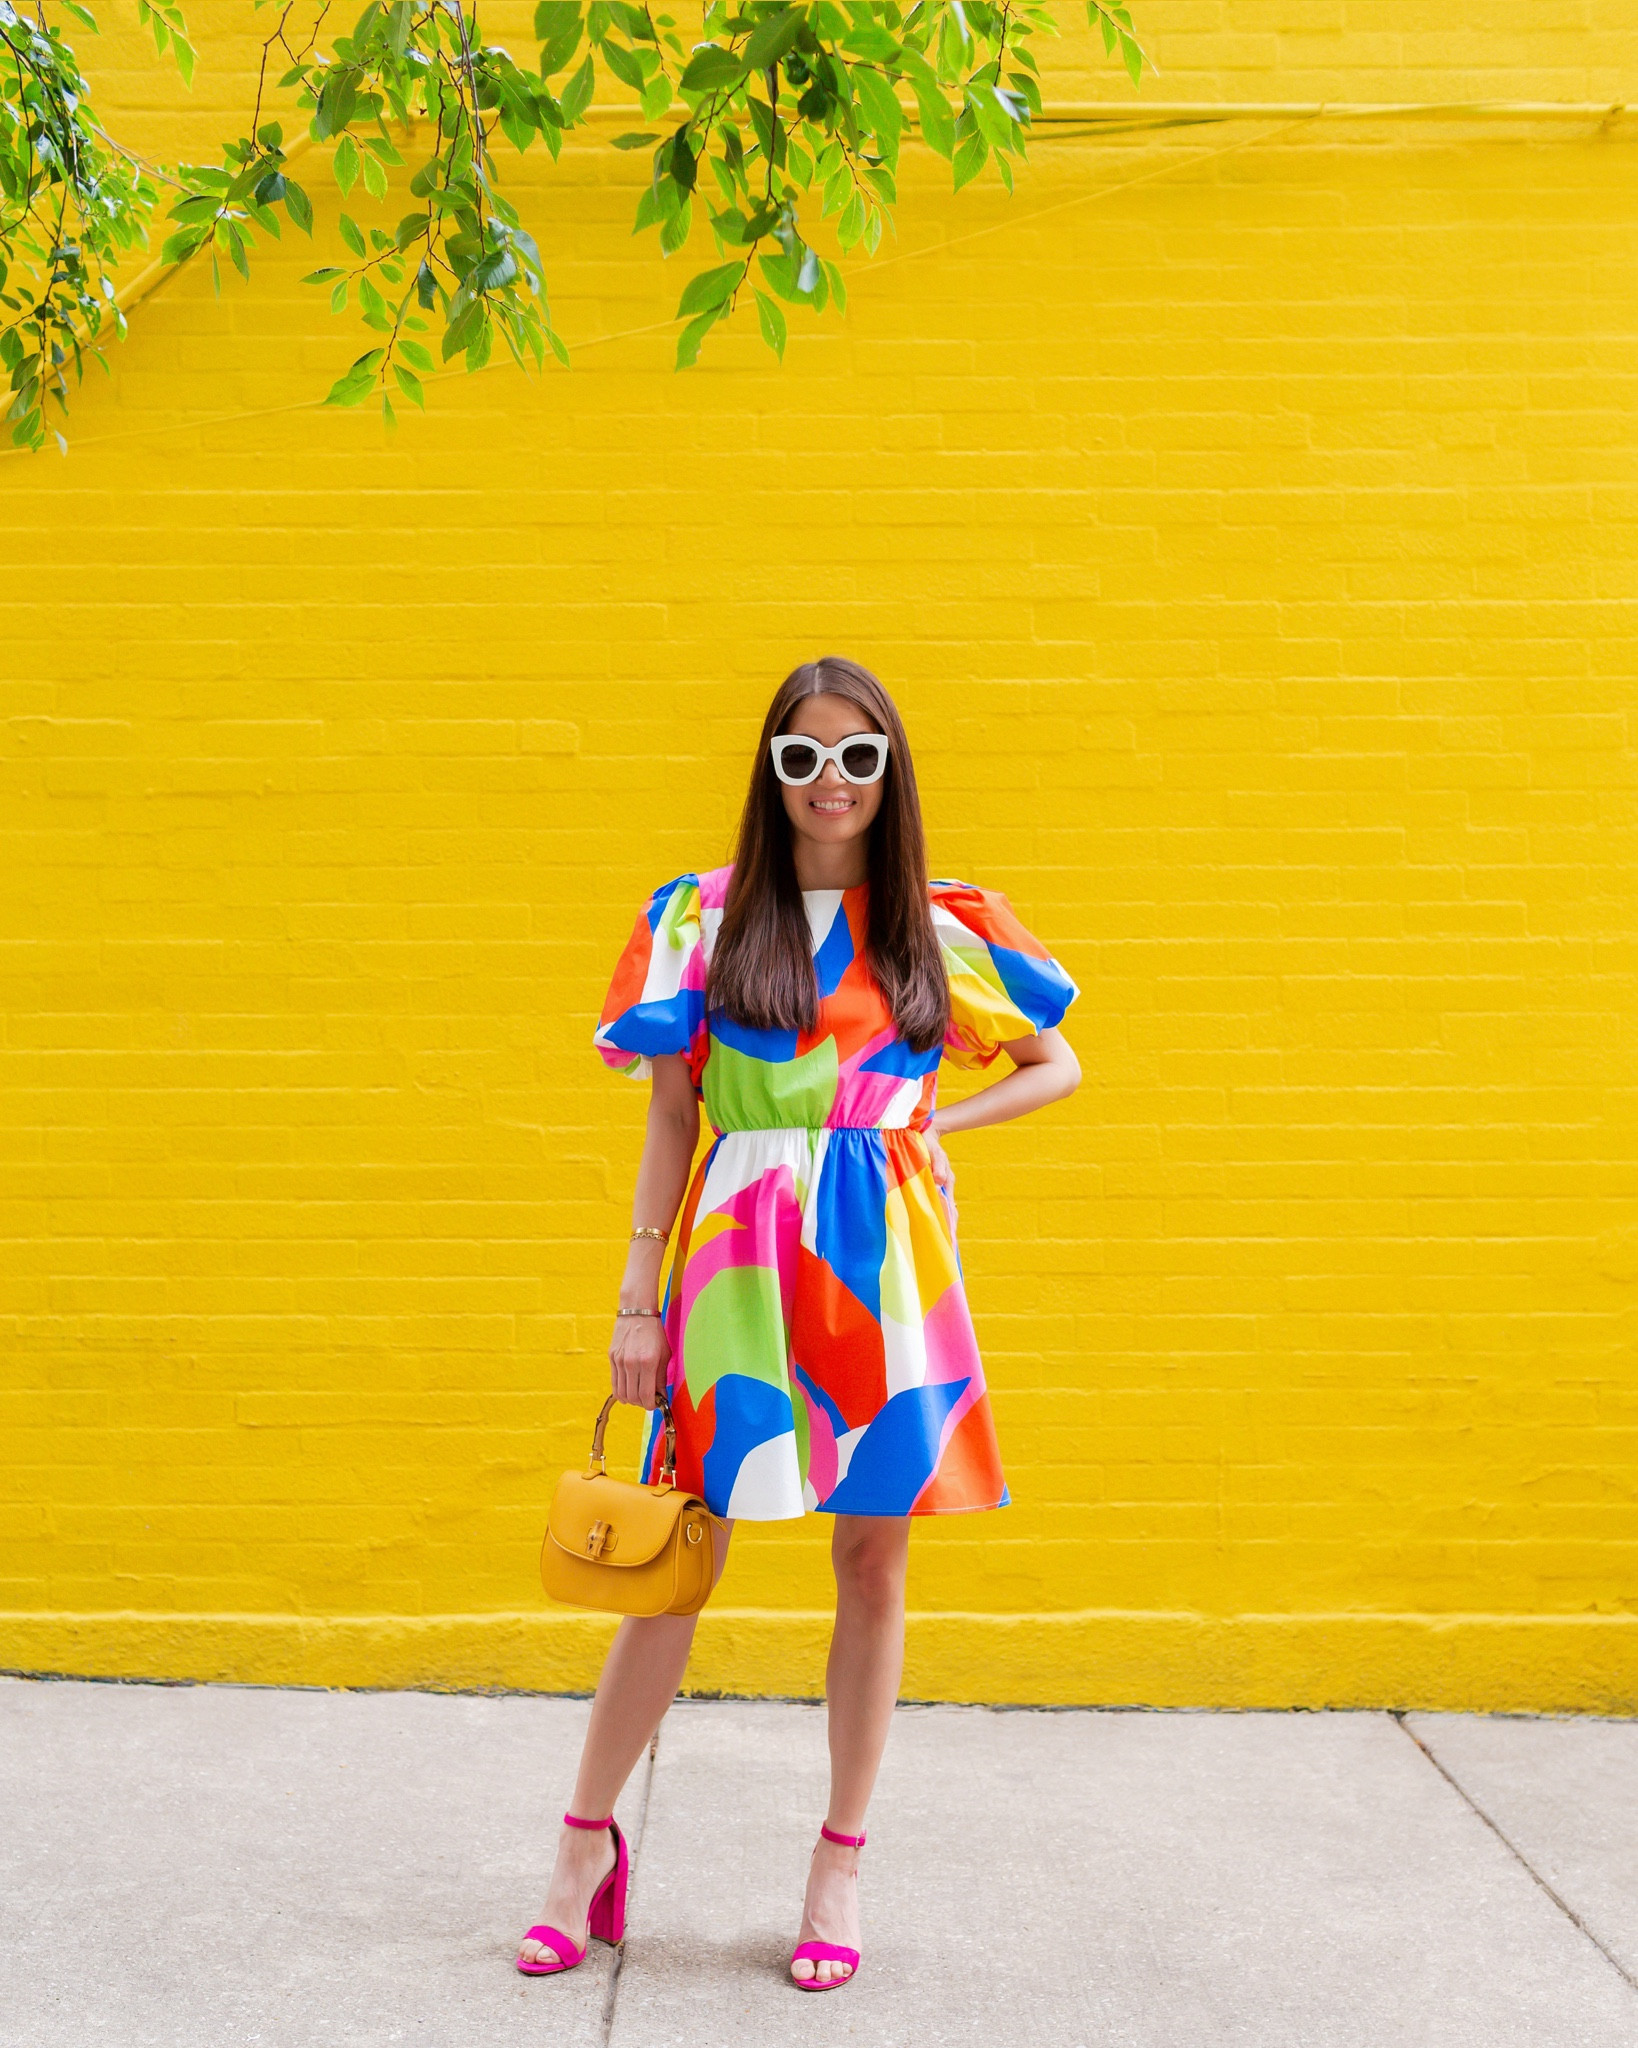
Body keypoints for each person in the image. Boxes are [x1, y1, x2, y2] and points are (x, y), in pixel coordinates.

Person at [517, 655, 1080, 1992]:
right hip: (729, 1259)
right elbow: (670, 1114)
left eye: (858, 756)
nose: (831, 783)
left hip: (884, 1268)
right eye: (803, 757)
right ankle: (578, 1851)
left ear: (890, 772)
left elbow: (1055, 1062)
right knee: (673, 1565)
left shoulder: (940, 924)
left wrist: (932, 1118)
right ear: (770, 773)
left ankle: (837, 1865)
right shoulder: (698, 920)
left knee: (872, 1565)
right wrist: (636, 1299)